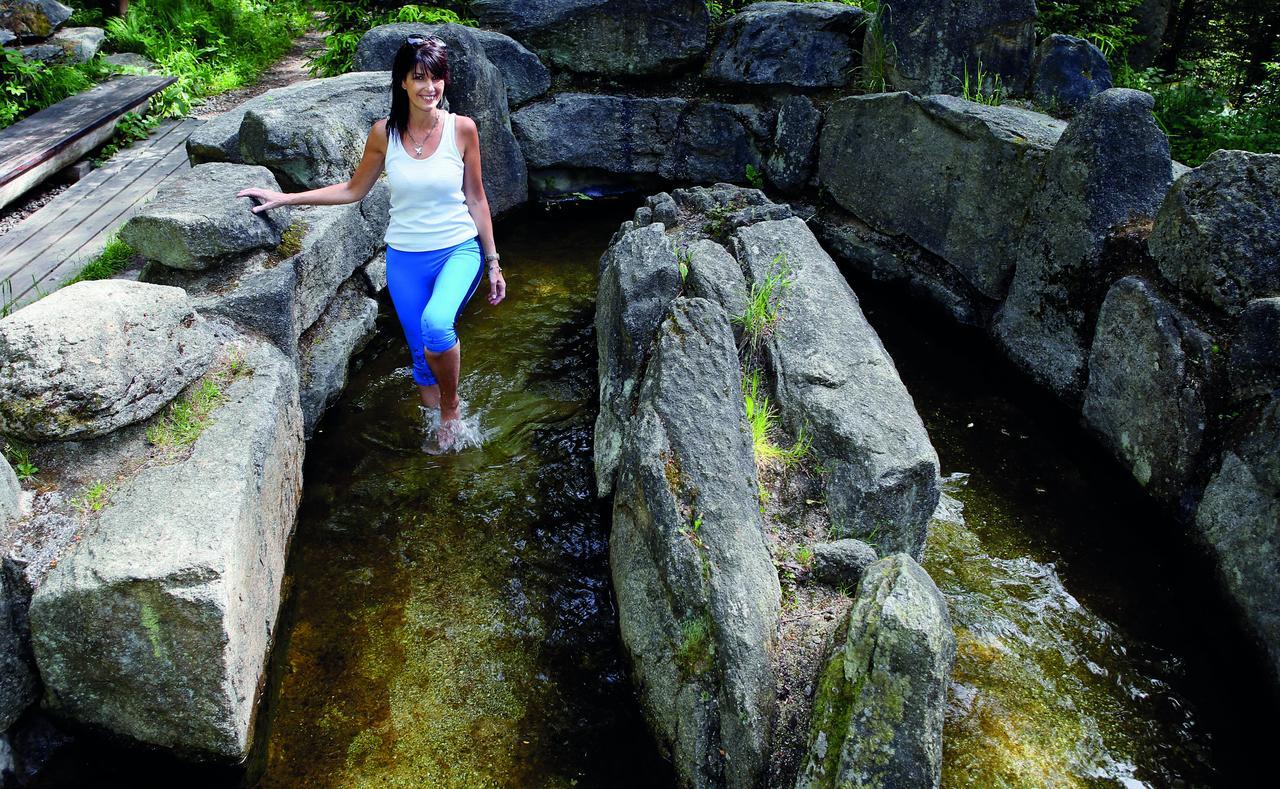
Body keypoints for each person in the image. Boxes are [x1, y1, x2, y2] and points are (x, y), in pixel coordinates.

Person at [238, 35, 506, 450]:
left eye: (436, 77)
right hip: (405, 258)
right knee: (420, 352)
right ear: (402, 82)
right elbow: (352, 189)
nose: (429, 87)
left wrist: (493, 261)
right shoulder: (384, 134)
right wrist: (287, 197)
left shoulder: (462, 130)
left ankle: (451, 408)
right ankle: (436, 438)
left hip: (458, 249)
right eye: (419, 78)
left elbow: (476, 197)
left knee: (436, 326)